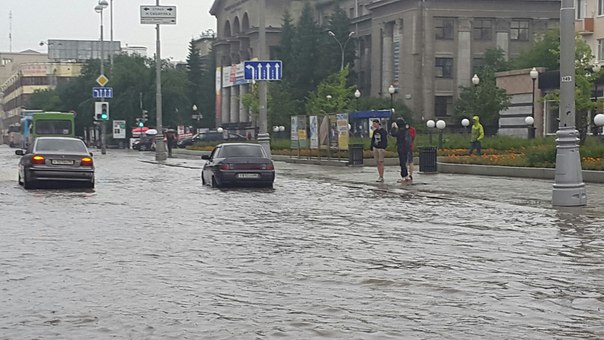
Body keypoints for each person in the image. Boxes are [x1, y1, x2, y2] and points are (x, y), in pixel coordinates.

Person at [390, 118, 411, 182]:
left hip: (401, 147)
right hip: (406, 147)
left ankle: (403, 176)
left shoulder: (400, 131)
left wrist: (393, 127)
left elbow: (393, 134)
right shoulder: (406, 130)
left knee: (402, 162)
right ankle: (406, 175)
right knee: (405, 161)